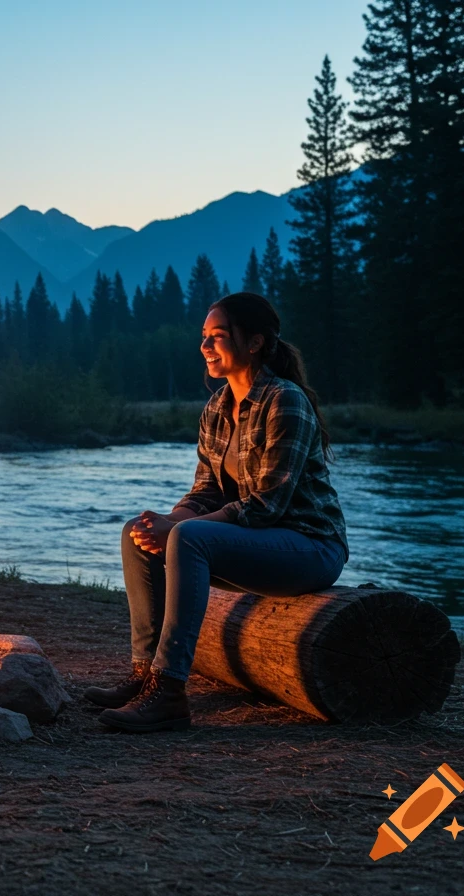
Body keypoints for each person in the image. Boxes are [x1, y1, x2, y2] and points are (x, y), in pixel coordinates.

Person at [86, 292, 348, 733]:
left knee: (186, 537)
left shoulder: (284, 401)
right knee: (139, 530)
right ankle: (145, 675)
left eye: (218, 336)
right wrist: (165, 523)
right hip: (255, 544)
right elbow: (206, 491)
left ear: (255, 343)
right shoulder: (216, 408)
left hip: (309, 547)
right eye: (204, 337)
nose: (205, 346)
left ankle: (169, 692)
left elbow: (266, 505)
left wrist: (178, 529)